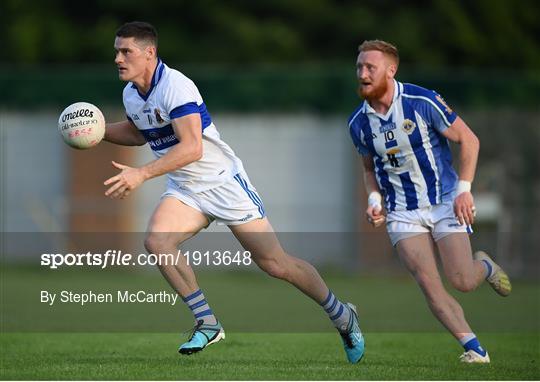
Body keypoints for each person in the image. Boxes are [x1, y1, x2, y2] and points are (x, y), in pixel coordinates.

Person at [102, 21, 364, 363]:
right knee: (157, 242)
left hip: (224, 184)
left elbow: (192, 147)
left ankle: (342, 315)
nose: (119, 59)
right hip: (186, 189)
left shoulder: (176, 87)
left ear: (149, 53)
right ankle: (207, 323)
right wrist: (95, 132)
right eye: (117, 52)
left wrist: (142, 173)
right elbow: (140, 133)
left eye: (127, 52)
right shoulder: (131, 94)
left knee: (275, 264)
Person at [348, 40, 511, 363]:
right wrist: (374, 199)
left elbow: (469, 140)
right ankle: (475, 350)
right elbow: (369, 169)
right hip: (402, 211)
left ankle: (486, 266)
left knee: (463, 280)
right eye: (359, 67)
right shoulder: (358, 123)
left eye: (370, 67)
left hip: (445, 200)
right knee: (428, 282)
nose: (362, 73)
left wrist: (464, 189)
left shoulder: (422, 101)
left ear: (391, 71)